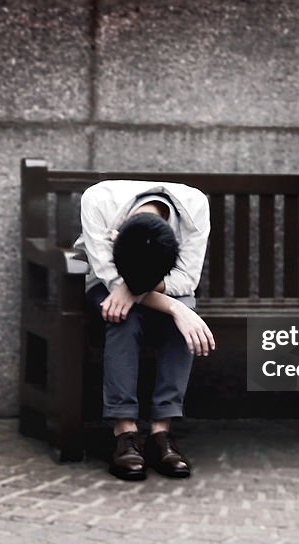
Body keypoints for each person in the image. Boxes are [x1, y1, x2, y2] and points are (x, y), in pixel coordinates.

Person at [74, 180, 215, 481]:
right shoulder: (98, 200)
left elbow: (186, 279)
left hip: (169, 284)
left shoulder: (195, 206)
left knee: (179, 320)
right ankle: (124, 432)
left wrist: (149, 292)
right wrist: (177, 309)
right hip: (105, 281)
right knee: (122, 316)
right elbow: (108, 276)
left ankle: (161, 433)